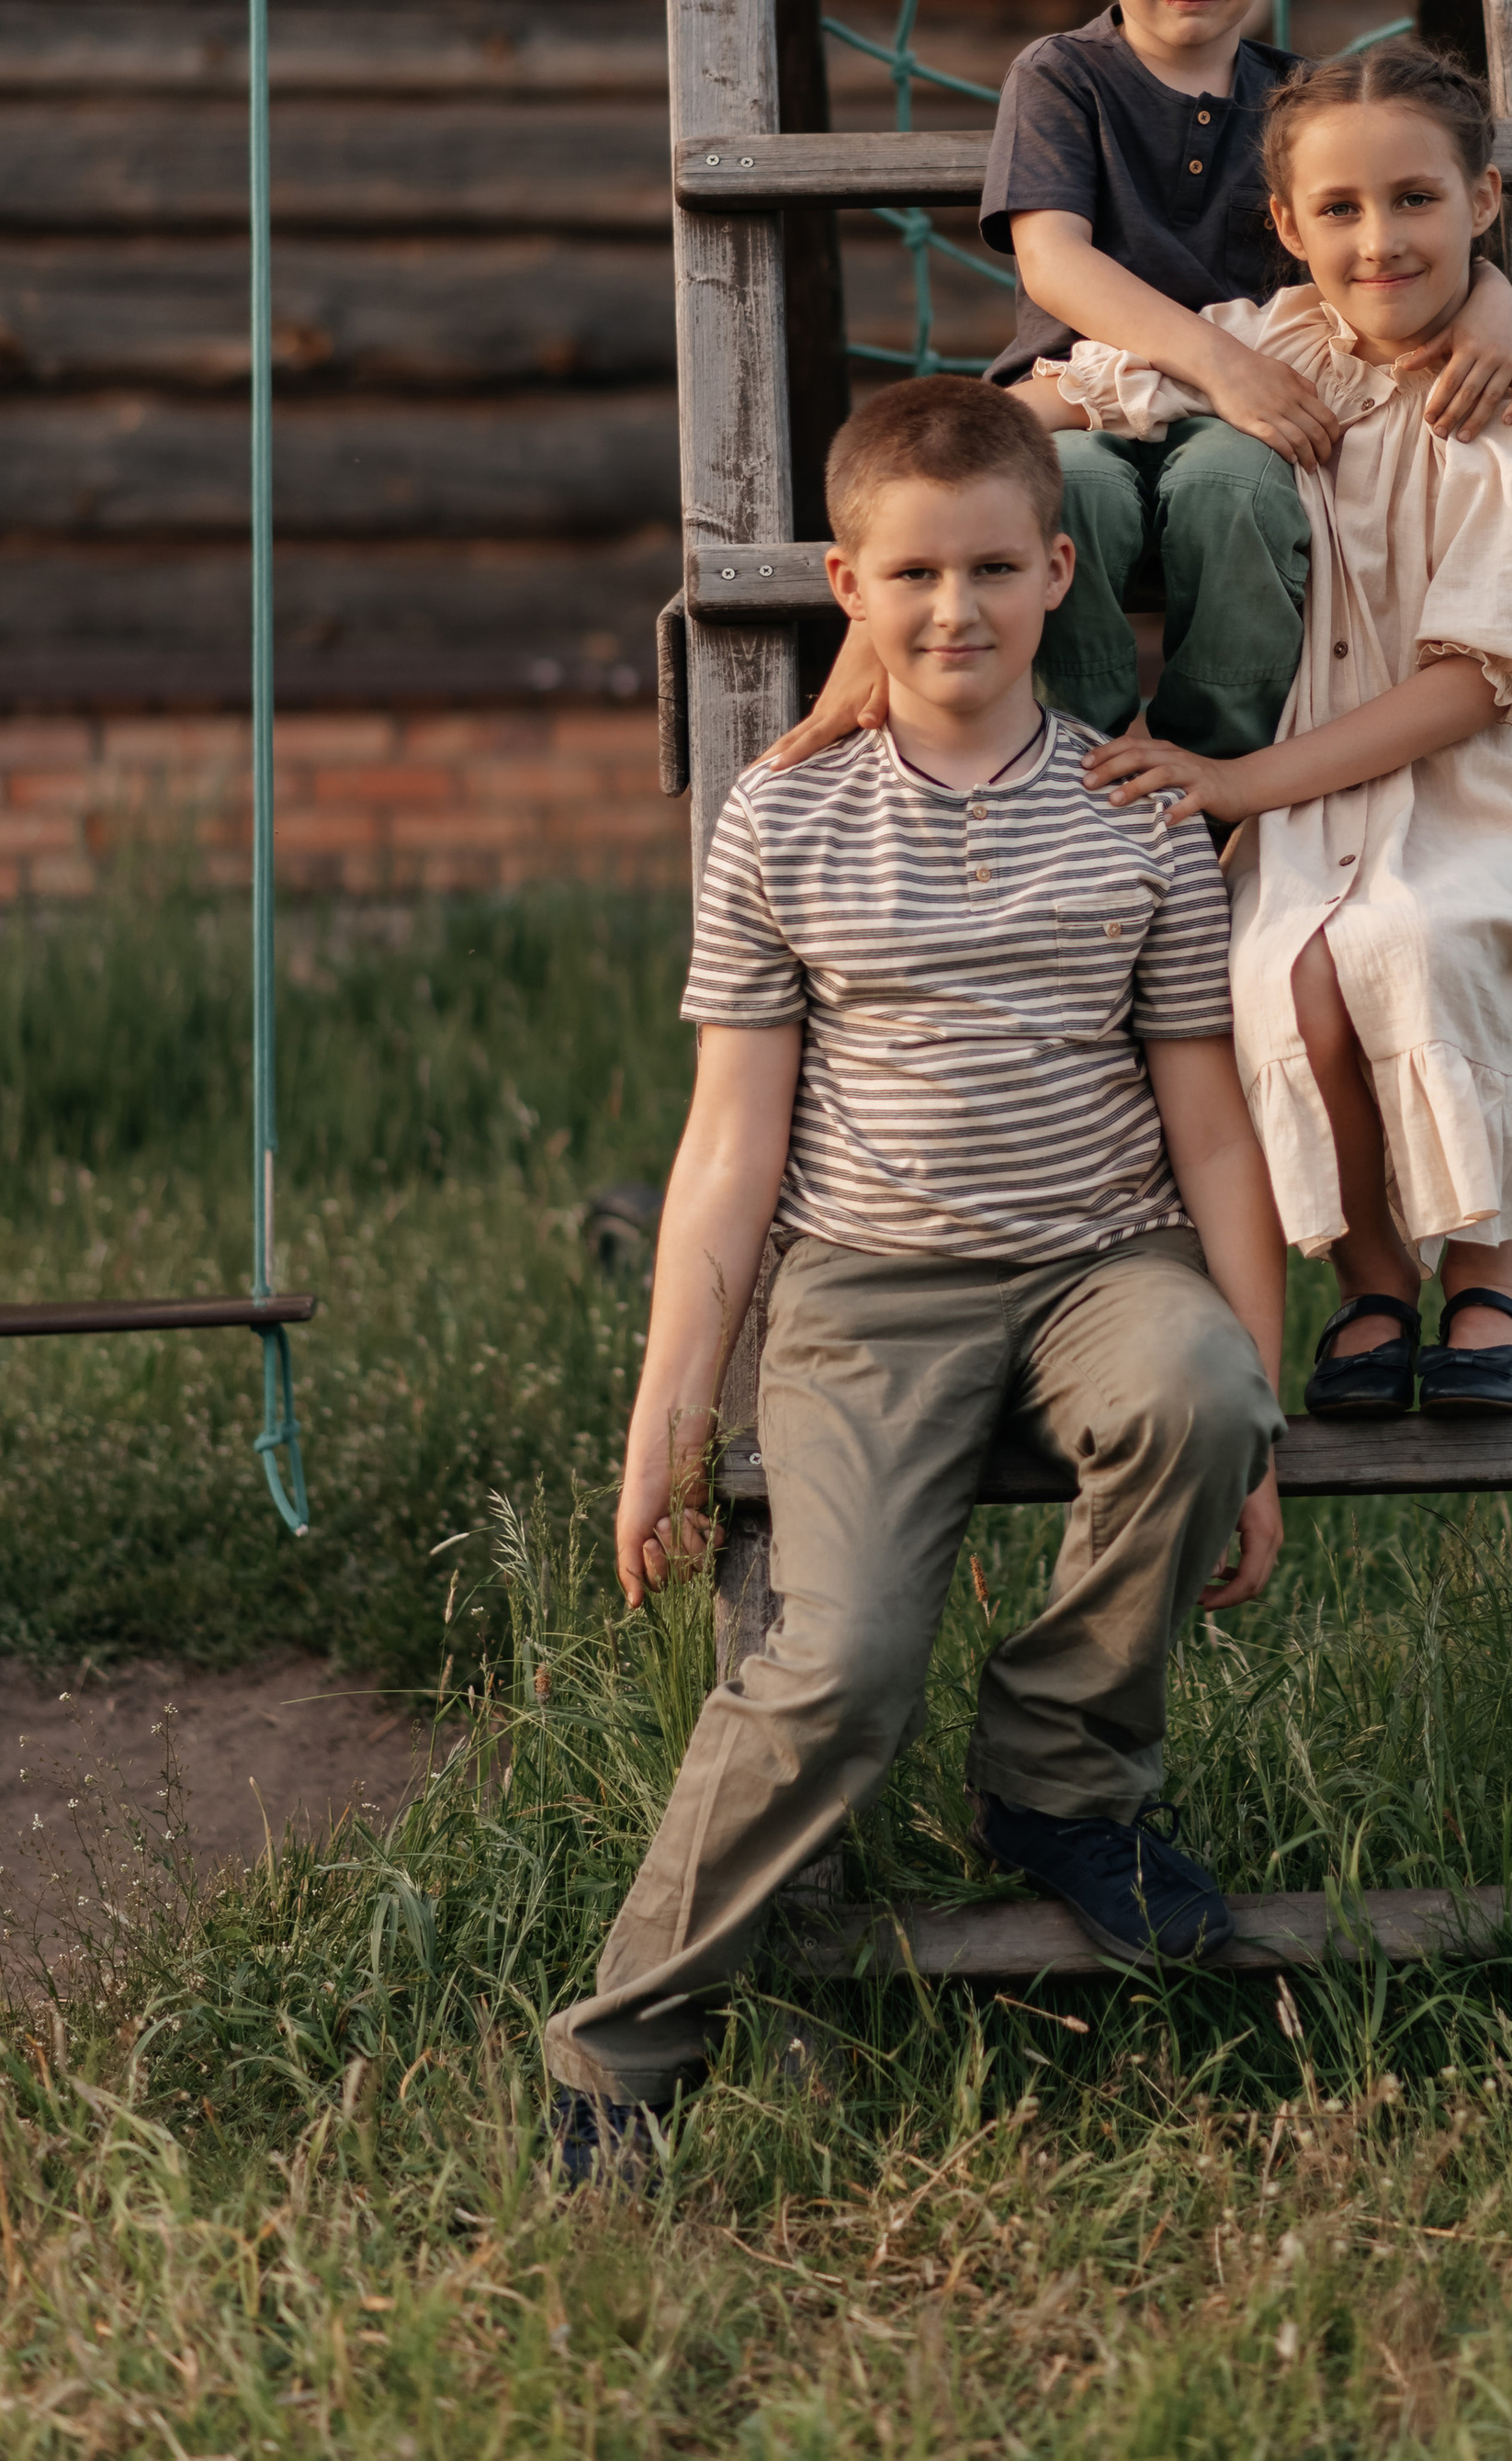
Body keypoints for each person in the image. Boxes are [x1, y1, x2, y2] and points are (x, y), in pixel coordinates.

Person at [543, 377, 1287, 2151]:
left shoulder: (1140, 819)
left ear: (1055, 573)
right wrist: (663, 1410)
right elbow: (728, 1147)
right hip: (869, 1291)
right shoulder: (782, 824)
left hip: (1106, 1260)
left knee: (1191, 1388)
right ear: (846, 584)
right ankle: (623, 2044)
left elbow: (1212, 1130)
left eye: (989, 569)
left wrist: (1267, 1410)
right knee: (844, 1667)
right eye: (912, 573)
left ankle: (1059, 1775)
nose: (953, 608)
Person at [1032, 42, 1512, 1423]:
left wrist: (1236, 780)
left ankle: (1494, 1268)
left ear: (1483, 199)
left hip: (1496, 784)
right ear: (1287, 225)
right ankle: (1372, 1278)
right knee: (1281, 965)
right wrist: (971, 453)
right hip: (1328, 794)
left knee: (1416, 936)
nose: (1380, 241)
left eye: (1417, 200)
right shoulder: (1278, 355)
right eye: (1341, 210)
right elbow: (1068, 395)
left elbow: (1472, 685)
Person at [759, 0, 1512, 777]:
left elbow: (1378, 237)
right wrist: (1223, 363)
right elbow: (1054, 263)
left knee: (1243, 492)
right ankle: (1072, 763)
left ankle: (1203, 775)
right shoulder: (1063, 77)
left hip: (1239, 422)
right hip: (1085, 399)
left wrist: (1495, 300)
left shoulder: (1301, 100)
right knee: (1071, 492)